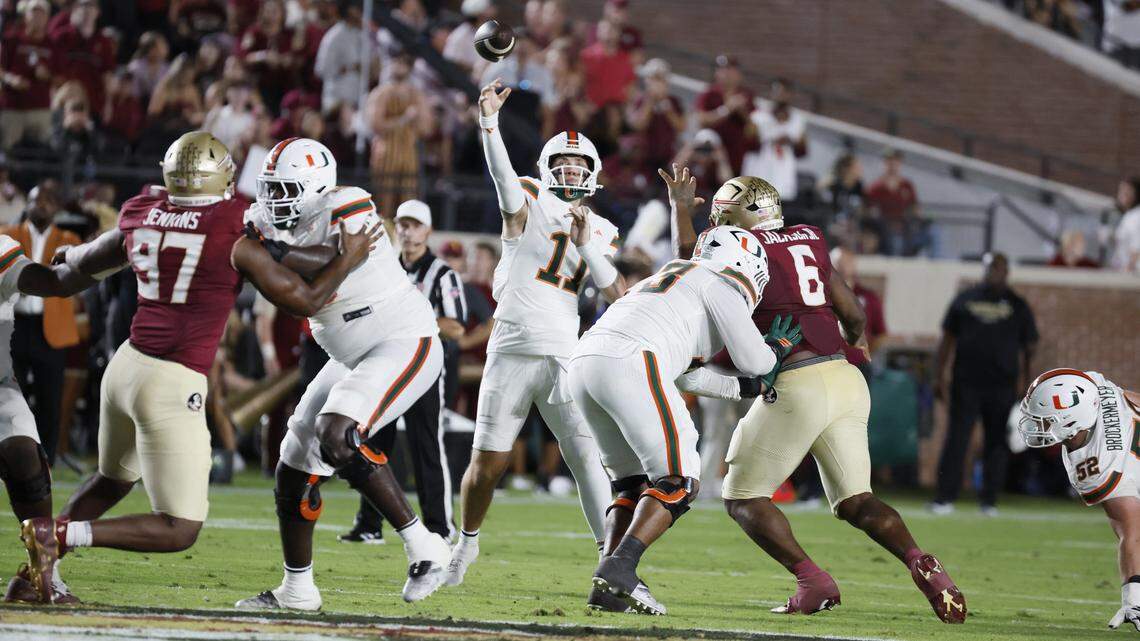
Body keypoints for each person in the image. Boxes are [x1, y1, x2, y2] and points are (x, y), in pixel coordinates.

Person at [15, 131, 375, 604]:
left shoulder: (142, 210)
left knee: (112, 480)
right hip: (172, 378)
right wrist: (348, 258)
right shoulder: (231, 226)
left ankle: (34, 576)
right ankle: (58, 536)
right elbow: (303, 299)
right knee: (179, 527)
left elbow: (67, 276)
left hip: (125, 368)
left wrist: (44, 261)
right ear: (222, 177)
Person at [664, 168, 966, 623]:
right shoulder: (807, 240)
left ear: (741, 219)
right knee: (857, 501)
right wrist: (856, 339)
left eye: (724, 218)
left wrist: (679, 209)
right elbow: (854, 313)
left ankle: (813, 581)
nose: (718, 227)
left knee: (742, 497)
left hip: (795, 381)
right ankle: (920, 561)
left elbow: (689, 259)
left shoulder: (743, 249)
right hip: (845, 380)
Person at [234, 138, 451, 609]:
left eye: (287, 188)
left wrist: (271, 250)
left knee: (337, 433)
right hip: (348, 353)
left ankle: (426, 546)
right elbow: (311, 269)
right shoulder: (264, 220)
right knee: (293, 461)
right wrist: (272, 248)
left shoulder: (349, 203)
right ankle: (297, 590)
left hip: (401, 339)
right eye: (271, 187)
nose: (275, 199)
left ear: (317, 186)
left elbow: (321, 266)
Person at [445, 81, 626, 598]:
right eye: (562, 165)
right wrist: (489, 126)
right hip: (509, 347)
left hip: (563, 350)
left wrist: (587, 244)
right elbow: (504, 185)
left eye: (578, 166)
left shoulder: (604, 226)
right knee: (486, 466)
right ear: (548, 170)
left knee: (586, 458)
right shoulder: (528, 196)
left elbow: (615, 292)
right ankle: (467, 540)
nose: (570, 173)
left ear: (591, 174)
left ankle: (609, 561)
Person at [570, 225, 797, 614]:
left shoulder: (671, 277)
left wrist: (742, 389)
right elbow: (755, 361)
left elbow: (687, 373)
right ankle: (620, 568)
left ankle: (606, 584)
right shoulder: (721, 283)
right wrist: (774, 349)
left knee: (630, 483)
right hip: (632, 360)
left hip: (585, 361)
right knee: (679, 478)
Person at [340, 199, 466, 544]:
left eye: (414, 225)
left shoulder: (442, 273)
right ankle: (369, 524)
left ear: (428, 230)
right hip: (386, 365)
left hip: (424, 366)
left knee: (425, 444)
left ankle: (439, 528)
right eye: (403, 225)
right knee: (373, 440)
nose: (408, 232)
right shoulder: (384, 267)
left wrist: (411, 326)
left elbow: (456, 327)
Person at [1015, 368, 1140, 632]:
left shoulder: (1098, 464)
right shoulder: (1092, 386)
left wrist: (1134, 597)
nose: (1038, 427)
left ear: (1071, 422)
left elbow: (1132, 530)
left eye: (1045, 421)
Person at [930, 253, 1038, 516]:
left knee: (996, 443)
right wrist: (938, 375)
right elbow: (946, 340)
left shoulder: (1018, 305)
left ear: (1006, 271)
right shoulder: (965, 300)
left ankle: (989, 501)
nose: (993, 273)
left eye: (999, 268)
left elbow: (1030, 347)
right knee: (957, 440)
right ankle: (944, 498)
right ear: (984, 269)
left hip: (1002, 385)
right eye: (990, 268)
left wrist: (1027, 384)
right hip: (966, 382)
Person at [1, 183, 82, 465]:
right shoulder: (8, 234)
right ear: (28, 204)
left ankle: (46, 457)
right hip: (14, 325)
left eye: (48, 200)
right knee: (9, 395)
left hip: (51, 329)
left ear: (57, 207)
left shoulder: (68, 239)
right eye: (36, 199)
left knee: (50, 398)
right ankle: (11, 456)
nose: (42, 205)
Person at [366, 52, 433, 218]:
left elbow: (427, 128)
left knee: (409, 199)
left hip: (409, 152)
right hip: (385, 151)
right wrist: (403, 119)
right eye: (396, 62)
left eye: (403, 63)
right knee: (383, 199)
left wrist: (417, 119)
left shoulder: (417, 94)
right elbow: (375, 125)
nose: (398, 66)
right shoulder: (381, 93)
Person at [0, 0, 56, 151]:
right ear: (25, 15)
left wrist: (47, 75)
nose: (37, 16)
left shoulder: (53, 45)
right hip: (13, 107)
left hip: (40, 109)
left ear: (48, 18)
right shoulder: (11, 39)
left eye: (41, 13)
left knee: (39, 156)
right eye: (34, 12)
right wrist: (11, 79)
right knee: (8, 154)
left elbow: (61, 76)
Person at [741, 78, 807, 203]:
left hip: (783, 175)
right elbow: (746, 143)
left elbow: (803, 150)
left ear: (790, 95)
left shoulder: (797, 120)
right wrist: (767, 139)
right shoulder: (758, 117)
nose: (781, 96)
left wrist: (790, 141)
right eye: (777, 92)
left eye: (785, 92)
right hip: (760, 171)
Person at [694, 55, 757, 174]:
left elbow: (753, 128)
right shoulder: (709, 93)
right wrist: (726, 109)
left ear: (738, 74)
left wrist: (741, 111)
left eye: (730, 70)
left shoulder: (746, 95)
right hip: (713, 155)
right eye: (722, 69)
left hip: (739, 155)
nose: (726, 74)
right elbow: (702, 120)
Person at [865, 149, 925, 256]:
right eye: (890, 162)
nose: (893, 165)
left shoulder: (907, 185)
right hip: (884, 225)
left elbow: (915, 207)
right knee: (891, 238)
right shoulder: (876, 187)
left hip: (904, 223)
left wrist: (917, 216)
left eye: (896, 162)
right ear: (885, 163)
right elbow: (870, 209)